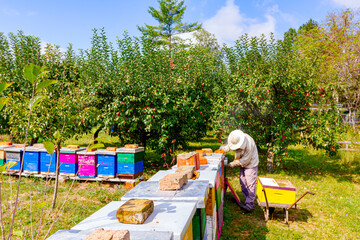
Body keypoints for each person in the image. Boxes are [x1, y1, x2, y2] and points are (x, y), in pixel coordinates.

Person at [220, 130, 259, 212]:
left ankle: (250, 205)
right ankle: (247, 201)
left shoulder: (249, 144)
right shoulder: (236, 139)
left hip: (251, 164)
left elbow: (245, 161)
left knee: (250, 184)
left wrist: (233, 163)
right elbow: (229, 146)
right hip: (243, 162)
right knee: (243, 182)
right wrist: (223, 150)